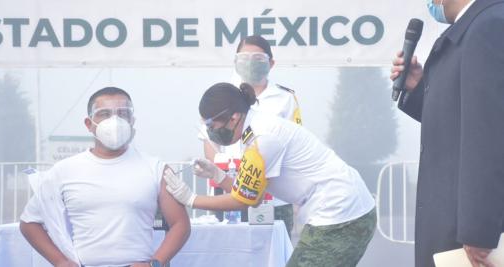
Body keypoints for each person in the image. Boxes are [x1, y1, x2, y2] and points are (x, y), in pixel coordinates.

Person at [165, 82, 376, 267]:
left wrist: (191, 199)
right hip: (339, 210)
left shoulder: (262, 138)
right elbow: (250, 194)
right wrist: (220, 176)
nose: (210, 132)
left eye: (211, 125)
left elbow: (244, 200)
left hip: (342, 213)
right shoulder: (254, 131)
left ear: (233, 118)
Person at [20, 87, 190, 267]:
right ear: (89, 123)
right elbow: (29, 222)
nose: (115, 121)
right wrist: (60, 261)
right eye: (104, 114)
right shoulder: (63, 171)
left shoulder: (157, 168)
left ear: (132, 121)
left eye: (123, 113)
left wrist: (155, 264)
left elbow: (180, 224)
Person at [390, 1, 504, 266]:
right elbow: (461, 118)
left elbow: (488, 135)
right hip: (456, 225)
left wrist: (478, 228)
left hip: (468, 236)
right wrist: (420, 89)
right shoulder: (474, 27)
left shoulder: (488, 27)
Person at [201, 35, 302, 237]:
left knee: (273, 254)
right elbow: (209, 139)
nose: (250, 64)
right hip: (228, 189)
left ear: (271, 63)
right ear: (236, 62)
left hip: (274, 196)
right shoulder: (222, 93)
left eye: (257, 59)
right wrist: (222, 172)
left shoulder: (285, 97)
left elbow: (292, 141)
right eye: (244, 58)